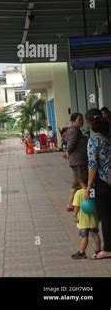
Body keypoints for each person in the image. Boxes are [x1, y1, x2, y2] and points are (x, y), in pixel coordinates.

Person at [84, 109, 111, 260]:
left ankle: (108, 249)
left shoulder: (94, 140)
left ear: (90, 123)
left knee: (106, 216)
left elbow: (93, 165)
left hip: (104, 182)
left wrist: (89, 186)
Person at [71, 177, 101, 259]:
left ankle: (82, 253)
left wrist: (75, 215)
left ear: (79, 180)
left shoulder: (79, 193)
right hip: (93, 219)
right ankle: (98, 250)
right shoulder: (93, 191)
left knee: (84, 236)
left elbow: (76, 206)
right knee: (95, 234)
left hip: (83, 220)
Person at [64, 113, 88, 212]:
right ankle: (71, 204)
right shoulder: (74, 130)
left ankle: (73, 203)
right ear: (73, 121)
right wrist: (68, 152)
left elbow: (66, 140)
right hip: (77, 160)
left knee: (78, 181)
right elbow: (71, 143)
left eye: (82, 120)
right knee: (79, 181)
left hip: (77, 159)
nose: (81, 122)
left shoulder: (73, 129)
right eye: (79, 120)